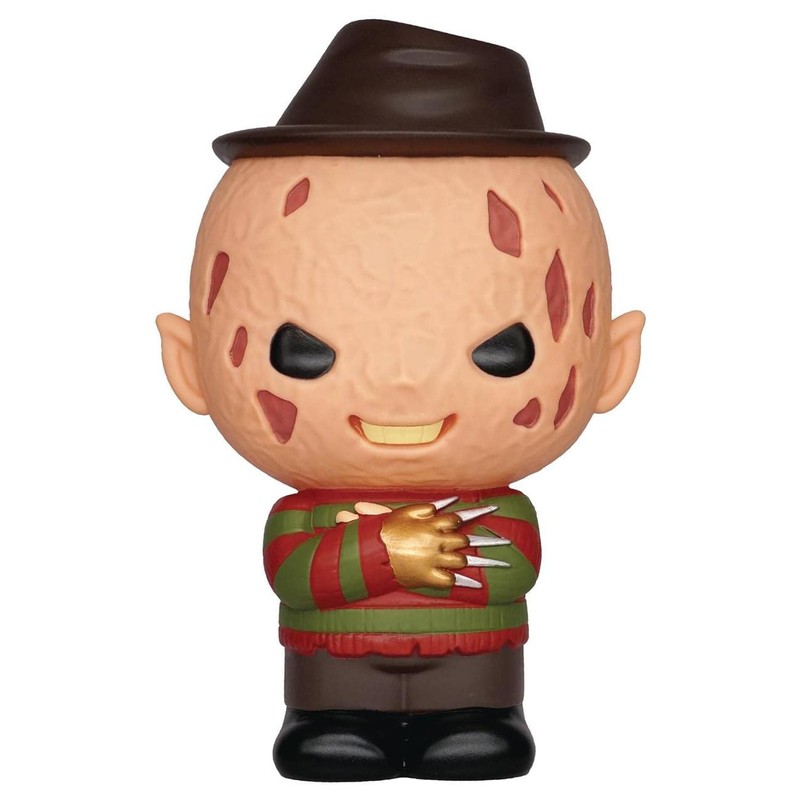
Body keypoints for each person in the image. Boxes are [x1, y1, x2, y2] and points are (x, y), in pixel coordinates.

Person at [157, 19, 644, 781]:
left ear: (613, 362)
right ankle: (326, 719)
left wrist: (401, 557)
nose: (403, 385)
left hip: (475, 659)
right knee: (332, 726)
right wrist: (389, 550)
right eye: (305, 352)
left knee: (477, 726)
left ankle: (482, 717)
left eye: (501, 351)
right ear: (189, 365)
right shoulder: (301, 513)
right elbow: (293, 574)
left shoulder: (502, 507)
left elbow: (514, 566)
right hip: (333, 663)